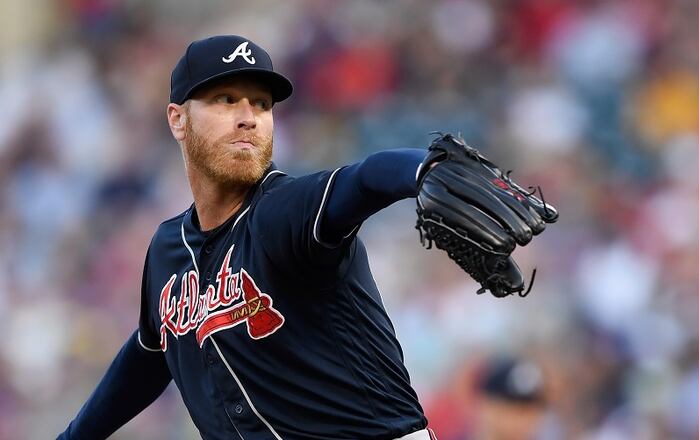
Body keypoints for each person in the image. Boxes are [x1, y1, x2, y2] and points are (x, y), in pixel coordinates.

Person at [59, 34, 550, 440]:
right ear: (177, 119)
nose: (248, 115)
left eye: (261, 103)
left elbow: (363, 180)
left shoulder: (282, 211)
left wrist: (423, 170)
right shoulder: (168, 249)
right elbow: (151, 349)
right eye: (225, 99)